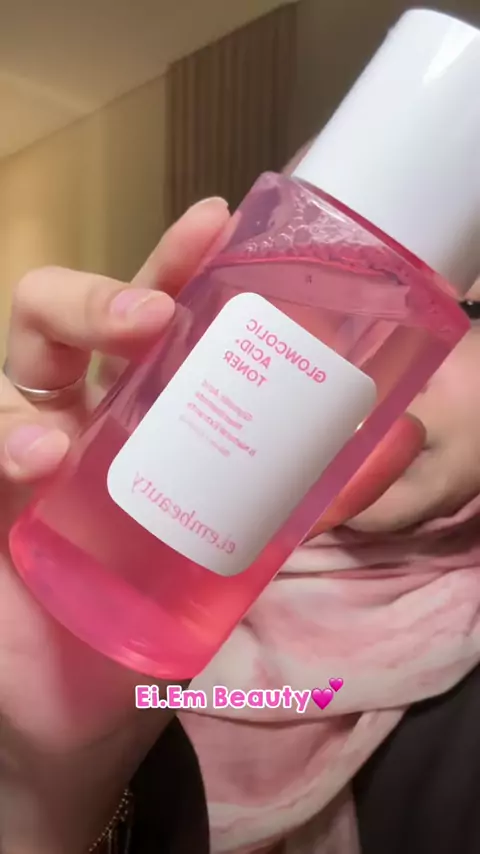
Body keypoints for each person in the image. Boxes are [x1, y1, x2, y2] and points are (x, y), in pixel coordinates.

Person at [1, 195, 480, 854]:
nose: (378, 355)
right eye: (327, 289)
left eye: (469, 314)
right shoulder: (111, 539)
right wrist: (43, 796)